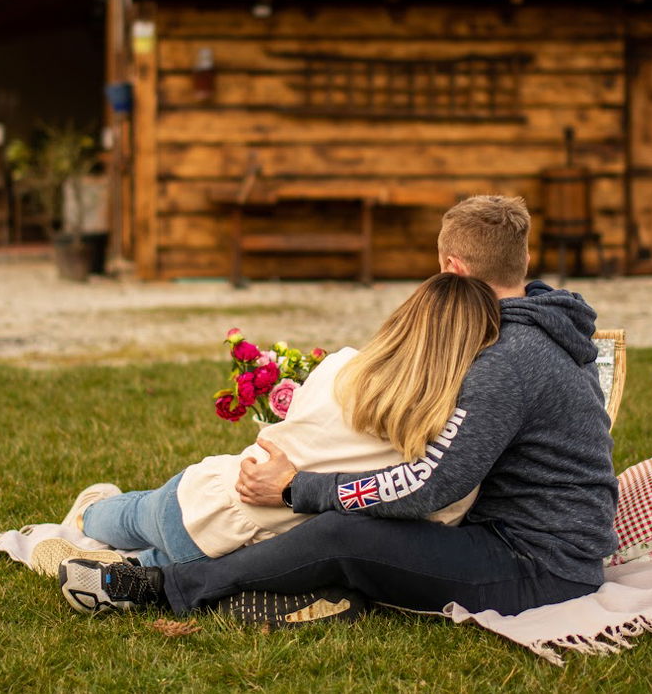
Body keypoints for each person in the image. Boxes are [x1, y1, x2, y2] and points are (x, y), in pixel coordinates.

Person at [59, 195, 618, 625]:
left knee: (343, 536)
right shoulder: (544, 323)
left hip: (536, 564)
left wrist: (294, 488)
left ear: (452, 266)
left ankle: (169, 588)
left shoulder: (507, 359)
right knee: (350, 532)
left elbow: (430, 485)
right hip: (528, 537)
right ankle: (170, 565)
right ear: (521, 262)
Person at [26, 271, 500, 580]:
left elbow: (299, 429)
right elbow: (442, 513)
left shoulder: (342, 368)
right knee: (156, 563)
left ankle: (87, 518)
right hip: (249, 549)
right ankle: (111, 568)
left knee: (132, 514)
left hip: (211, 496)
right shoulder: (443, 438)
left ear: (404, 321)